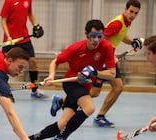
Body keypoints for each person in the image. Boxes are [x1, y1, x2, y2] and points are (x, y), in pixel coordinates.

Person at [27, 19, 115, 140]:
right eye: (93, 36)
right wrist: (51, 76)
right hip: (71, 82)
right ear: (86, 34)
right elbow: (56, 61)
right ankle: (60, 138)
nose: (96, 40)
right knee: (89, 108)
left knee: (64, 123)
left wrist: (95, 72)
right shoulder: (76, 48)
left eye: (99, 36)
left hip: (85, 85)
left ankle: (30, 139)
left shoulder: (106, 47)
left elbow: (112, 74)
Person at [50, 0, 142, 128]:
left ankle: (61, 101)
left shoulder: (127, 22)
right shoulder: (117, 23)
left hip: (107, 60)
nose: (133, 15)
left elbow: (121, 36)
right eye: (131, 11)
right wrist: (110, 56)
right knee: (116, 87)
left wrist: (132, 42)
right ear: (125, 9)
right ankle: (98, 116)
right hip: (103, 61)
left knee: (95, 92)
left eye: (136, 13)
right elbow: (101, 39)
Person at [0, 0, 46, 99]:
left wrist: (36, 26)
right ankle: (0, 89)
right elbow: (3, 20)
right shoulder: (9, 1)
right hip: (11, 40)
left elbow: (30, 14)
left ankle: (35, 90)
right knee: (3, 64)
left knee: (33, 62)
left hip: (24, 38)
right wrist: (8, 36)